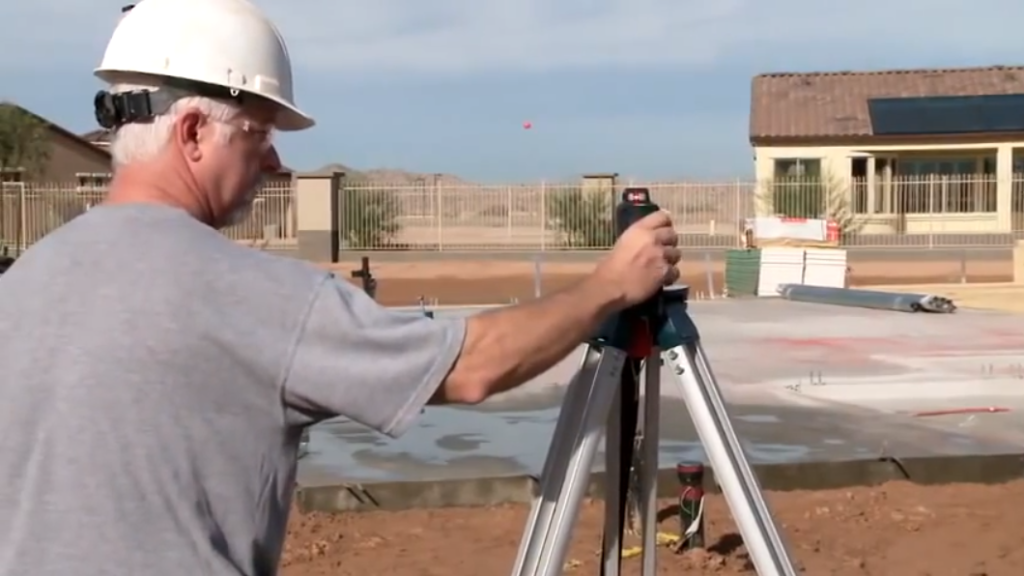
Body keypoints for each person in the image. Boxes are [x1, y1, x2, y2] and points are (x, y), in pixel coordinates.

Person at [0, 0, 681, 574]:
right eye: (259, 133)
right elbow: (470, 367)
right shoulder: (253, 297)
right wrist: (609, 286)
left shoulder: (25, 282)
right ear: (192, 132)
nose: (275, 160)